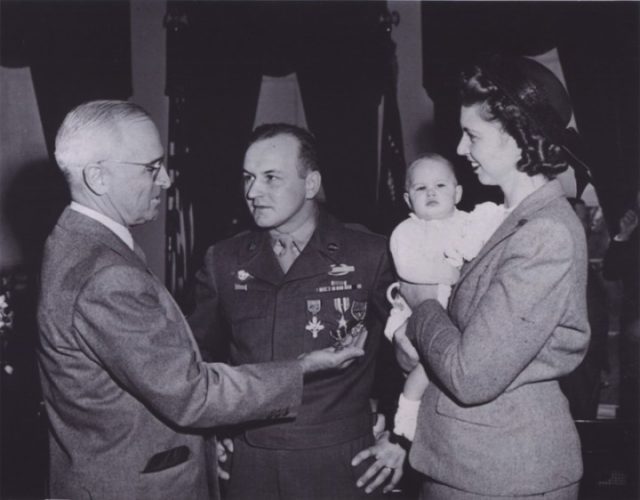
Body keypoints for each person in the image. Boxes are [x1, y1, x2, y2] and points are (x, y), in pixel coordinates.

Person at [37, 101, 365, 500]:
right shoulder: (107, 274)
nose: (166, 180)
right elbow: (192, 393)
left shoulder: (74, 244)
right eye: (151, 167)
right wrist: (302, 367)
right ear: (98, 177)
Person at [397, 54, 590, 499]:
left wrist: (423, 302)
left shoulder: (546, 234)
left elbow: (470, 374)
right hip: (465, 463)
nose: (461, 150)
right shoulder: (503, 221)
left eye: (472, 136)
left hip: (504, 473)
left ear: (521, 139)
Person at [189, 123, 404, 499]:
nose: (253, 192)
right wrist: (212, 433)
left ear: (310, 184)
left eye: (271, 178)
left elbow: (412, 353)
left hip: (343, 463)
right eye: (248, 178)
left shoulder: (369, 253)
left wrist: (402, 436)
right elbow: (195, 360)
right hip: (249, 464)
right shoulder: (223, 260)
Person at [385, 154, 505, 441]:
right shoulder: (406, 231)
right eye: (420, 188)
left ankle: (431, 417)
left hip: (459, 311)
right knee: (427, 362)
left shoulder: (469, 223)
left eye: (440, 185)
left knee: (454, 361)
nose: (431, 193)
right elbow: (409, 269)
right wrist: (458, 273)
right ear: (407, 199)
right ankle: (407, 410)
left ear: (457, 193)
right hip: (416, 312)